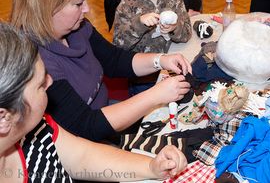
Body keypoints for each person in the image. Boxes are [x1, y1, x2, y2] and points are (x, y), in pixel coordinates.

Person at [10, 0, 192, 142]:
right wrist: (155, 96)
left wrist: (160, 60)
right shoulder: (37, 63)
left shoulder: (77, 27)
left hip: (106, 113)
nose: (87, 8)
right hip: (85, 143)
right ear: (47, 7)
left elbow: (114, 60)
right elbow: (87, 126)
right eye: (78, 3)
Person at [0, 22, 187, 182]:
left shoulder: (36, 127)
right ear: (4, 117)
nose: (50, 82)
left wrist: (151, 167)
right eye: (41, 84)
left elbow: (83, 156)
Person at [113, 0, 191, 94]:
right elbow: (118, 46)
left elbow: (186, 34)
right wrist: (139, 23)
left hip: (172, 72)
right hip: (142, 79)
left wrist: (175, 28)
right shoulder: (127, 4)